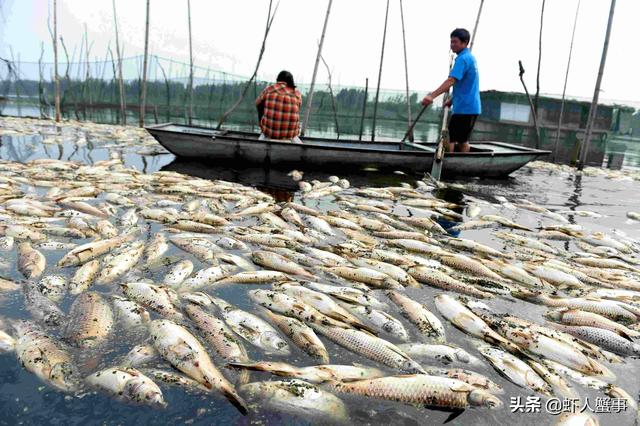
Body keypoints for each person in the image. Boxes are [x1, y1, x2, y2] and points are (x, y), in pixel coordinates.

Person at [421, 28, 481, 153]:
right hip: (470, 106)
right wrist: (452, 100)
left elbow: (451, 81)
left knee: (451, 139)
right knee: (462, 140)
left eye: (455, 42)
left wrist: (432, 96)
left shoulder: (463, 59)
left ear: (465, 43)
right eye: (451, 42)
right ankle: (461, 166)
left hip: (465, 108)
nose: (452, 45)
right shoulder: (470, 58)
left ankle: (448, 165)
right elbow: (466, 84)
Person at [255, 70, 303, 144]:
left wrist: (261, 118)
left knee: (260, 105)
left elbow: (257, 104)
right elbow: (297, 108)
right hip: (291, 134)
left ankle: (263, 127)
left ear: (278, 80)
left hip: (269, 132)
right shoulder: (297, 93)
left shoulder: (269, 89)